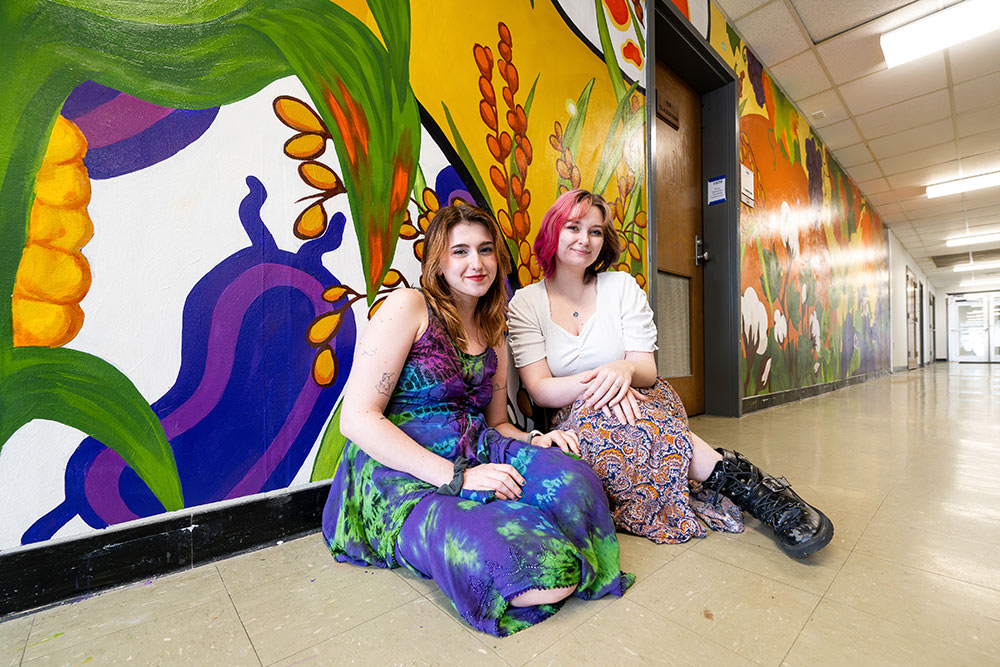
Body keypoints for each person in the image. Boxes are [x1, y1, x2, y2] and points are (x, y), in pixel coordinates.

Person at [321, 201, 633, 637]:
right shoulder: (408, 306)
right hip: (401, 468)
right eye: (460, 251)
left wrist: (537, 439)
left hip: (476, 446)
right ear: (438, 260)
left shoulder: (494, 328)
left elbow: (499, 423)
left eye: (486, 250)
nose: (477, 263)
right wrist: (457, 478)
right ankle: (501, 528)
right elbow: (356, 419)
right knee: (533, 573)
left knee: (576, 483)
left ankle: (522, 518)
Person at [507, 189, 833, 558]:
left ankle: (758, 495)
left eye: (596, 231)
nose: (585, 239)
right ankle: (746, 482)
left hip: (643, 397)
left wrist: (625, 370)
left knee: (631, 410)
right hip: (575, 414)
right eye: (573, 227)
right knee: (616, 421)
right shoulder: (526, 302)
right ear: (553, 231)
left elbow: (646, 370)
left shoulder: (621, 287)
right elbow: (540, 389)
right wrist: (607, 379)